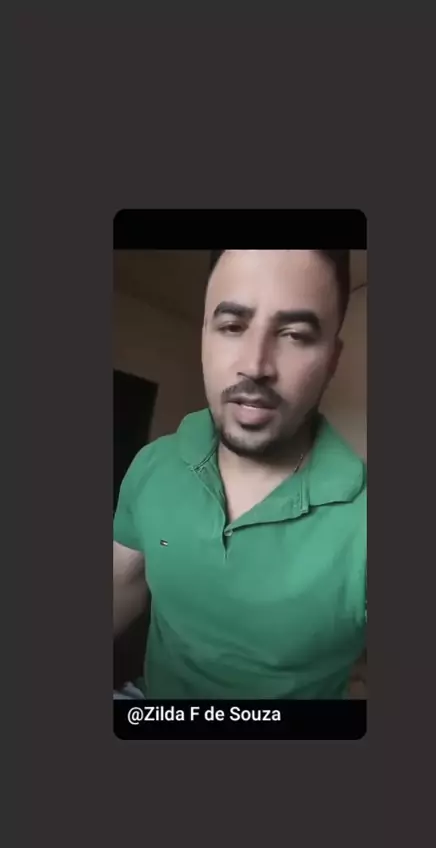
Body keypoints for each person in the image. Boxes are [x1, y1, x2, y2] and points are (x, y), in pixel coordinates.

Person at [113, 249, 367, 700]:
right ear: (204, 339)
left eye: (295, 334)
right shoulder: (153, 464)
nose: (255, 364)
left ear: (332, 360)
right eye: (232, 326)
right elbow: (118, 590)